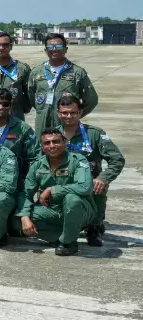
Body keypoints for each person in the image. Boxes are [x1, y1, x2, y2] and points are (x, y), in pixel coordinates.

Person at [56, 93, 124, 247]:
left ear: (80, 112)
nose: (69, 116)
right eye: (65, 113)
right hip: (62, 183)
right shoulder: (52, 136)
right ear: (58, 113)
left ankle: (94, 225)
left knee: (98, 187)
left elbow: (117, 159)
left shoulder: (95, 134)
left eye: (73, 112)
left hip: (89, 184)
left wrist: (103, 178)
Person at [17, 129, 93, 256]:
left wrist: (53, 190)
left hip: (80, 210)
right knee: (16, 221)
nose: (52, 146)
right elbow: (26, 193)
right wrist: (24, 217)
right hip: (51, 210)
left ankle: (68, 243)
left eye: (56, 142)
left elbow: (85, 187)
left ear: (64, 142)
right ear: (42, 147)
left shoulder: (78, 160)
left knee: (71, 199)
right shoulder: (37, 165)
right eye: (47, 143)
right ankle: (61, 236)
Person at [27, 33, 98, 134]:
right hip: (42, 125)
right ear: (45, 50)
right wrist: (43, 111)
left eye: (59, 46)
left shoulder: (77, 72)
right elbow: (31, 97)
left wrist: (74, 115)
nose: (54, 49)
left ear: (66, 49)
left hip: (67, 125)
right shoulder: (36, 72)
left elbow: (92, 99)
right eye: (50, 47)